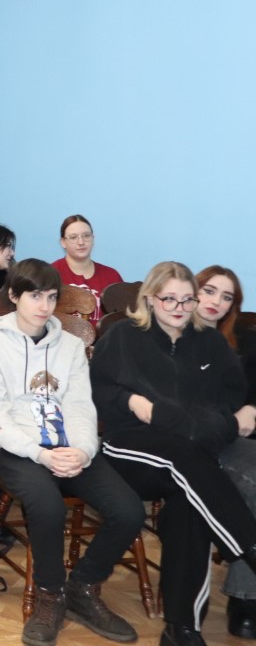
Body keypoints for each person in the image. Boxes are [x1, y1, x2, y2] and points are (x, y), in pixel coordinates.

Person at [0, 259, 143, 646]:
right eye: (35, 296)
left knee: (129, 511)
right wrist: (40, 454)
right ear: (14, 295)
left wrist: (83, 450)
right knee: (48, 507)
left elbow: (81, 405)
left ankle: (83, 588)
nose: (45, 306)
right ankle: (50, 595)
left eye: (51, 297)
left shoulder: (69, 346)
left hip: (71, 448)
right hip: (21, 451)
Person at [91, 261, 256, 646]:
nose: (180, 308)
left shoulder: (209, 342)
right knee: (183, 458)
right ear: (150, 298)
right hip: (130, 446)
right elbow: (100, 392)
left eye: (187, 300)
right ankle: (248, 545)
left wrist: (181, 419)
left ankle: (182, 629)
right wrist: (131, 401)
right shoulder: (122, 336)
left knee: (190, 504)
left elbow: (229, 404)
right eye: (170, 300)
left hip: (192, 452)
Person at [193, 265, 256, 639]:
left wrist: (252, 408)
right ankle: (246, 600)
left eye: (227, 296)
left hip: (237, 439)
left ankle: (245, 597)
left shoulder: (244, 341)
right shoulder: (174, 335)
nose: (217, 301)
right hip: (190, 442)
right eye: (210, 291)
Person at [50, 215, 122, 323]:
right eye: (73, 237)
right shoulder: (51, 274)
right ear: (63, 242)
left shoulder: (111, 276)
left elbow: (121, 319)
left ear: (93, 239)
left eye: (86, 236)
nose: (81, 242)